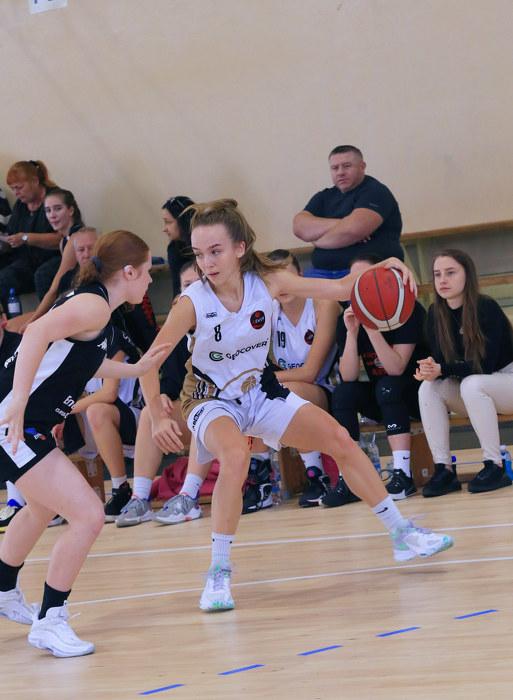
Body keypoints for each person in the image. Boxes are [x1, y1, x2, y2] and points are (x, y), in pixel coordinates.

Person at [140, 198, 453, 613]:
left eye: (215, 251)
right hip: (208, 398)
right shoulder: (193, 301)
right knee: (235, 456)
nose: (207, 263)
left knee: (341, 440)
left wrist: (387, 265)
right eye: (199, 254)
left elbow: (342, 288)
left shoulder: (269, 280)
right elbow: (149, 362)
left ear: (239, 248)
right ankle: (218, 573)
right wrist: (157, 415)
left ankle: (402, 534)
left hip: (260, 390)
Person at [0, 230, 169, 657]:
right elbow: (35, 332)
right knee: (90, 515)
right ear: (128, 272)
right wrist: (18, 399)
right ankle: (50, 621)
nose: (150, 279)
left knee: (42, 507)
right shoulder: (93, 304)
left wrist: (138, 369)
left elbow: (83, 361)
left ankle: (3, 590)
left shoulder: (97, 307)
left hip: (27, 422)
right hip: (14, 421)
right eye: (146, 271)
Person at [322, 253, 428, 508]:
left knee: (388, 385)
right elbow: (348, 376)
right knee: (343, 393)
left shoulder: (407, 309)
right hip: (384, 398)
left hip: (418, 395)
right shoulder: (347, 317)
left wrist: (371, 327)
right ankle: (351, 481)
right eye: (354, 281)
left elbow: (396, 368)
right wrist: (351, 333)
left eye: (365, 279)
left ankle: (403, 474)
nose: (360, 286)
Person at [114, 261, 213, 527]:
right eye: (187, 286)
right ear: (177, 297)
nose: (193, 291)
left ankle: (189, 497)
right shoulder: (178, 330)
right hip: (201, 414)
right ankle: (140, 498)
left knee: (205, 408)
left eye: (199, 284)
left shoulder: (225, 320)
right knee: (150, 412)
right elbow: (165, 377)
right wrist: (163, 397)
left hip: (234, 409)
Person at [241, 248, 340, 511]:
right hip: (286, 389)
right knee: (253, 394)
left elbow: (310, 372)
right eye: (273, 279)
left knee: (283, 393)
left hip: (326, 390)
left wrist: (263, 379)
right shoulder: (267, 311)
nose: (281, 285)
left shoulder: (323, 305)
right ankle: (260, 479)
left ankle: (316, 476)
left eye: (286, 275)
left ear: (300, 275)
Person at [415, 249, 513, 497]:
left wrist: (442, 369)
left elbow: (486, 365)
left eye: (450, 273)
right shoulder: (435, 314)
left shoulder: (486, 307)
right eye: (437, 274)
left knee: (472, 383)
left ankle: (495, 466)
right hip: (477, 389)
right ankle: (444, 469)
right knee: (429, 388)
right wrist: (429, 369)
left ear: (467, 275)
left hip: (507, 379)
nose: (442, 280)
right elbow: (441, 361)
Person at [293, 146, 403, 278]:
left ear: (362, 166)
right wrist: (342, 223)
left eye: (347, 166)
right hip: (322, 273)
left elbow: (353, 230)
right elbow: (299, 227)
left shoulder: (376, 191)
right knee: (287, 281)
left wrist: (317, 241)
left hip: (369, 273)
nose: (340, 172)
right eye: (335, 168)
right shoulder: (324, 196)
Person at [19, 188, 84, 331]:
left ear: (71, 210)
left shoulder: (75, 238)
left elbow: (55, 289)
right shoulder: (63, 241)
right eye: (48, 210)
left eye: (58, 209)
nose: (52, 215)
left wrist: (32, 321)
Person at [0, 160, 60, 310]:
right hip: (29, 262)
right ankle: (11, 322)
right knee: (3, 279)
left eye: (19, 187)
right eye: (13, 188)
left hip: (57, 259)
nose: (16, 193)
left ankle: (50, 321)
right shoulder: (21, 205)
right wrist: (4, 242)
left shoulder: (56, 199)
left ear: (35, 181)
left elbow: (62, 238)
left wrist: (25, 238)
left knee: (42, 276)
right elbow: (12, 239)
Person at [162, 196, 195, 297]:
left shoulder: (205, 243)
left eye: (168, 222)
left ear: (183, 221)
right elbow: (177, 288)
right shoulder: (173, 249)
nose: (164, 228)